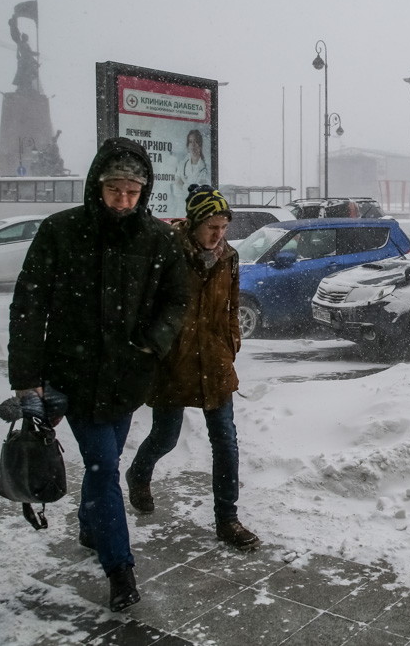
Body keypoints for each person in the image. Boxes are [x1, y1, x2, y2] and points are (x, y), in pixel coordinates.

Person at [7, 137, 189, 612]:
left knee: (101, 464)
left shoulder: (160, 239)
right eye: (114, 190)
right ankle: (120, 568)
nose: (123, 201)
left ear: (144, 191)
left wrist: (152, 341)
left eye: (132, 192)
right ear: (98, 186)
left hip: (128, 378)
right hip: (73, 374)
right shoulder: (61, 231)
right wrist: (28, 381)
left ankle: (92, 527)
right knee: (105, 465)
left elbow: (177, 300)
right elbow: (29, 306)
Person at [126, 185, 260, 551]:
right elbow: (148, 306)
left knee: (226, 441)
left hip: (214, 360)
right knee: (166, 437)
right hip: (174, 361)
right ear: (194, 223)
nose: (218, 235)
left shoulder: (228, 257)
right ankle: (138, 475)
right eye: (211, 226)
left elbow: (231, 307)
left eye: (223, 226)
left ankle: (227, 519)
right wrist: (156, 348)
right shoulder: (168, 251)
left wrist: (231, 342)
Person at [172, 129, 211, 206]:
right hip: (182, 208)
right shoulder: (182, 166)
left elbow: (205, 193)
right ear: (187, 145)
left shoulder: (207, 169)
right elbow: (176, 189)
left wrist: (184, 187)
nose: (193, 145)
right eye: (190, 142)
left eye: (196, 142)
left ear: (200, 145)